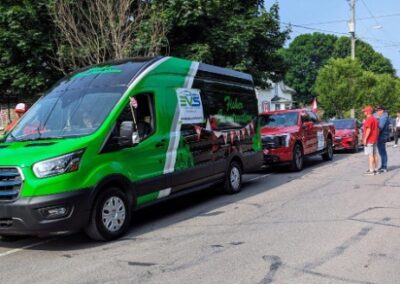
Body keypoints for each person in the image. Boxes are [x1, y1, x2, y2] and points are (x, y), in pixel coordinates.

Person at [362, 105, 379, 175]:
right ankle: (376, 169)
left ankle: (371, 170)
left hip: (370, 139)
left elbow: (368, 129)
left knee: (370, 155)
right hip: (374, 139)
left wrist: (365, 139)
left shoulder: (369, 119)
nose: (364, 113)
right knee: (375, 154)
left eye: (365, 111)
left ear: (368, 112)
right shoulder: (375, 119)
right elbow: (378, 130)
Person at [374, 105, 390, 173]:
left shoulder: (383, 117)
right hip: (382, 136)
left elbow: (380, 127)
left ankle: (384, 166)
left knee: (382, 152)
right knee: (382, 152)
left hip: (382, 136)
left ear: (382, 110)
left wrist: (374, 133)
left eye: (378, 110)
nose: (377, 112)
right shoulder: (383, 116)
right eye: (377, 110)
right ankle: (383, 166)